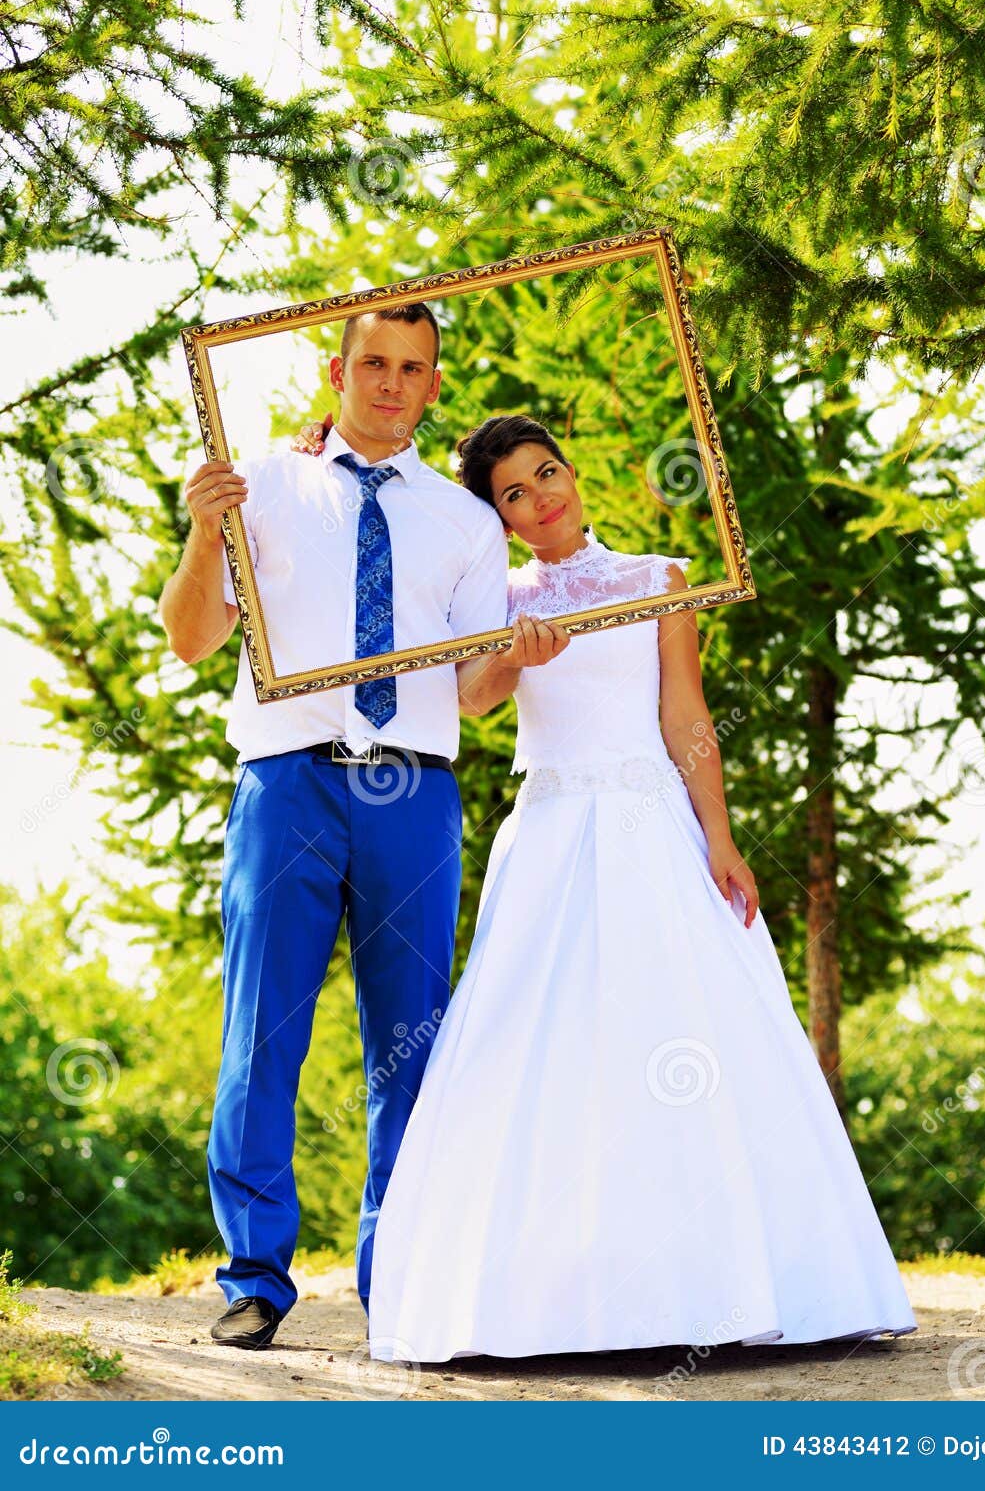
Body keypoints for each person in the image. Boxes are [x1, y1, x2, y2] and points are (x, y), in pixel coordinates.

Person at [292, 409, 918, 1362]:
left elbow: (685, 716)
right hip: (549, 836)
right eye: (513, 493)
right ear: (497, 516)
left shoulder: (658, 579)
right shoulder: (495, 596)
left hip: (652, 826)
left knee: (683, 1040)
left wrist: (721, 837)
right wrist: (510, 651)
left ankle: (723, 1289)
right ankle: (557, 1301)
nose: (539, 498)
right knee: (538, 1048)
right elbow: (471, 697)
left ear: (571, 472)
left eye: (546, 473)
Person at [157, 306, 566, 1352]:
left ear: (434, 385)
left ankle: (403, 1282)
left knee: (411, 1043)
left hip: (414, 794)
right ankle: (254, 1276)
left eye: (412, 368)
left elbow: (471, 692)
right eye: (374, 362)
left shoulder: (466, 523)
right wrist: (203, 530)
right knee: (260, 1034)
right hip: (287, 783)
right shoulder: (257, 484)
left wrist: (517, 656)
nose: (391, 382)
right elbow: (193, 638)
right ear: (337, 371)